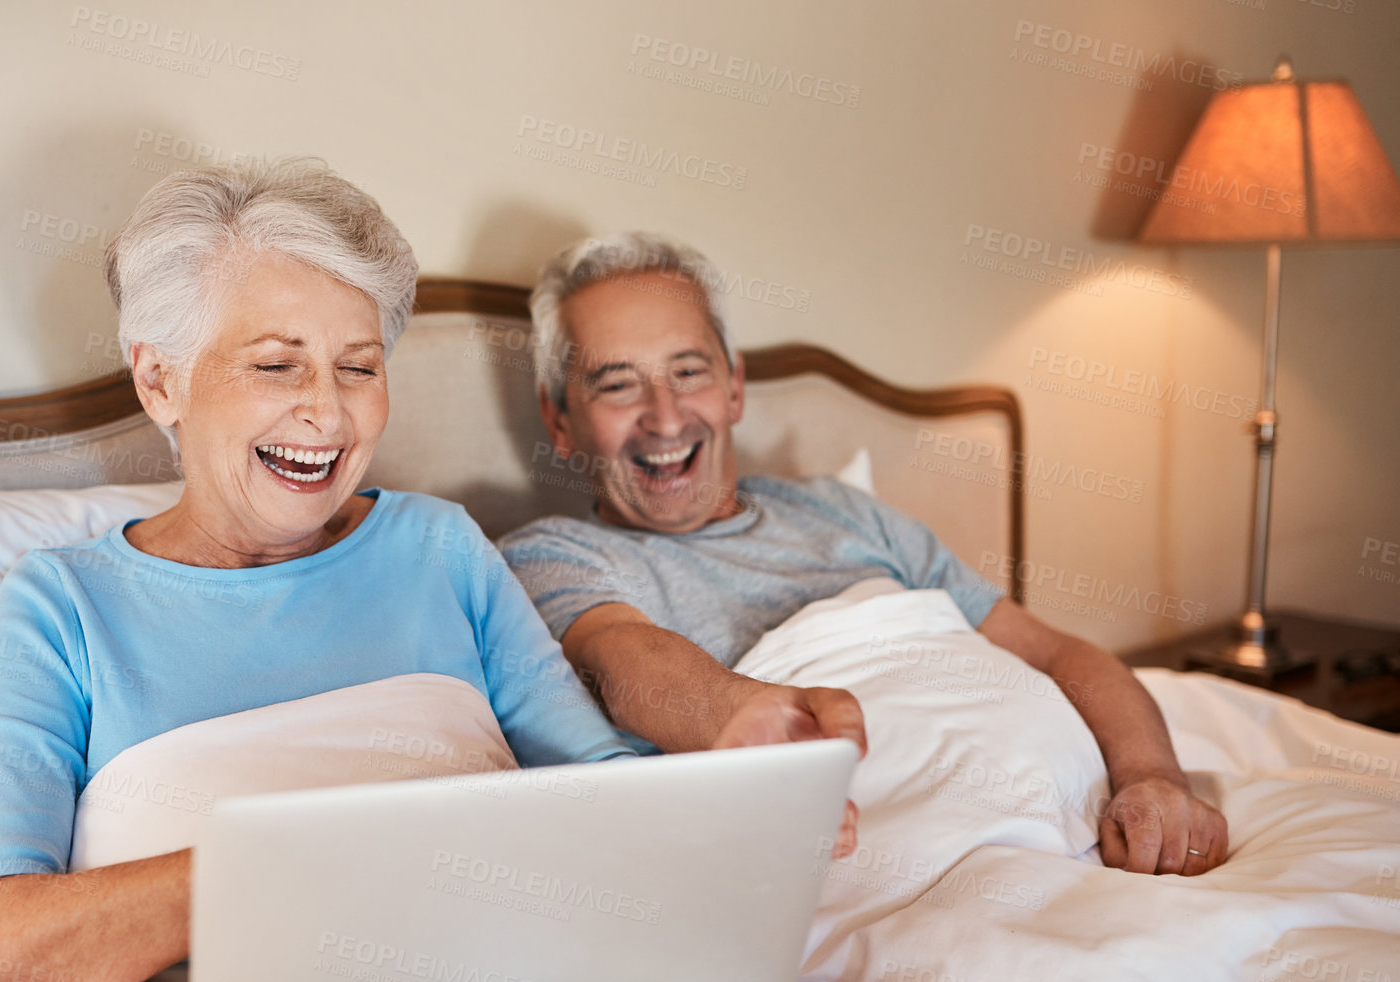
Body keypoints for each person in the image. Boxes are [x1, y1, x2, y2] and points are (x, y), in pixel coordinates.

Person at [0, 160, 639, 982]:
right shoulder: (61, 606)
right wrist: (318, 861)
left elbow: (612, 801)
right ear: (160, 380)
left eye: (359, 366)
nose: (328, 413)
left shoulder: (439, 546)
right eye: (276, 366)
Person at [500, 232, 1229, 878]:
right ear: (558, 420)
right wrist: (749, 717)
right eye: (616, 383)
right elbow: (624, 656)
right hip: (914, 870)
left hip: (1105, 829)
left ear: (734, 387)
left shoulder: (842, 511)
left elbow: (1057, 653)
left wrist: (1150, 777)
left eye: (687, 371)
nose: (663, 415)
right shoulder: (552, 555)